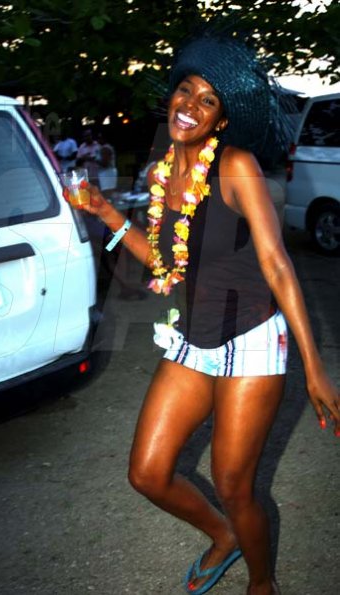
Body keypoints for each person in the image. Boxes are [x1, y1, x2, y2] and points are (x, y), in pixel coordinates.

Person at [70, 32, 340, 595]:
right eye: (185, 91)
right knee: (147, 472)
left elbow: (277, 263)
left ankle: (262, 582)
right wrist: (103, 211)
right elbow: (166, 263)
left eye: (207, 100)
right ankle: (224, 535)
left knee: (235, 483)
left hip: (252, 340)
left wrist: (314, 367)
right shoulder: (164, 173)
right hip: (193, 338)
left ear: (220, 119)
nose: (189, 105)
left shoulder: (236, 166)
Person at [96, 131, 118, 200]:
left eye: (100, 138)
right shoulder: (102, 147)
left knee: (107, 193)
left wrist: (94, 159)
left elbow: (105, 164)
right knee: (107, 193)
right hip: (106, 172)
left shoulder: (105, 148)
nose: (98, 140)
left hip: (107, 173)